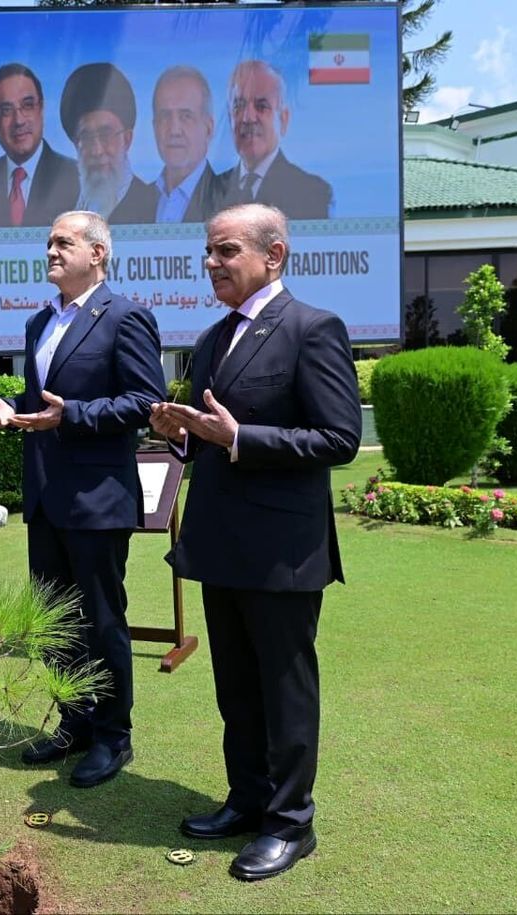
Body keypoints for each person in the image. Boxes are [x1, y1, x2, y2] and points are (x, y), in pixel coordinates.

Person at [150, 203, 361, 881]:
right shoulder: (213, 337)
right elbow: (208, 432)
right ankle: (246, 799)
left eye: (226, 251)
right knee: (236, 687)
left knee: (284, 691)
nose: (211, 263)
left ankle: (291, 822)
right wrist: (181, 432)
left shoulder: (312, 329)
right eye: (208, 252)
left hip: (282, 550)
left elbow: (339, 438)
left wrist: (240, 437)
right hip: (221, 543)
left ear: (274, 256)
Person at [0, 210, 166, 788]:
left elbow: (145, 401)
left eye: (63, 242)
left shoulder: (125, 316)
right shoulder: (39, 322)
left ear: (97, 253)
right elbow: (41, 402)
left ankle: (113, 736)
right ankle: (73, 722)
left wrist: (73, 414)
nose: (51, 252)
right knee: (55, 623)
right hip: (46, 497)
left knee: (103, 622)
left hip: (97, 499)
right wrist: (12, 409)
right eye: (49, 243)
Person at [0, 63, 79, 229]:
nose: (19, 120)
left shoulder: (77, 177)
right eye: (6, 111)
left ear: (41, 110)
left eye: (28, 105)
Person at [216, 60, 333, 219]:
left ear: (283, 120)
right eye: (239, 106)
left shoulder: (313, 194)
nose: (248, 118)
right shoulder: (209, 193)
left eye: (261, 106)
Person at [59, 63, 157, 225]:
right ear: (76, 144)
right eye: (86, 137)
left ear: (127, 140)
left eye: (106, 135)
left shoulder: (155, 207)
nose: (97, 150)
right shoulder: (62, 210)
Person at [150, 66, 223, 223]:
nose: (174, 130)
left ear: (208, 129)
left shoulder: (232, 200)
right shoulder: (136, 200)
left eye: (186, 116)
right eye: (165, 116)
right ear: (154, 127)